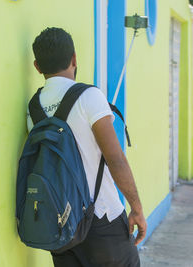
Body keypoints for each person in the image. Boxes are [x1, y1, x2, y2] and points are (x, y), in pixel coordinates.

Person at [28, 27, 146, 266]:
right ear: (74, 59)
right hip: (102, 217)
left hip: (59, 222)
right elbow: (115, 159)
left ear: (37, 67)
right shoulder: (89, 97)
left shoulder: (33, 109)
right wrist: (136, 208)